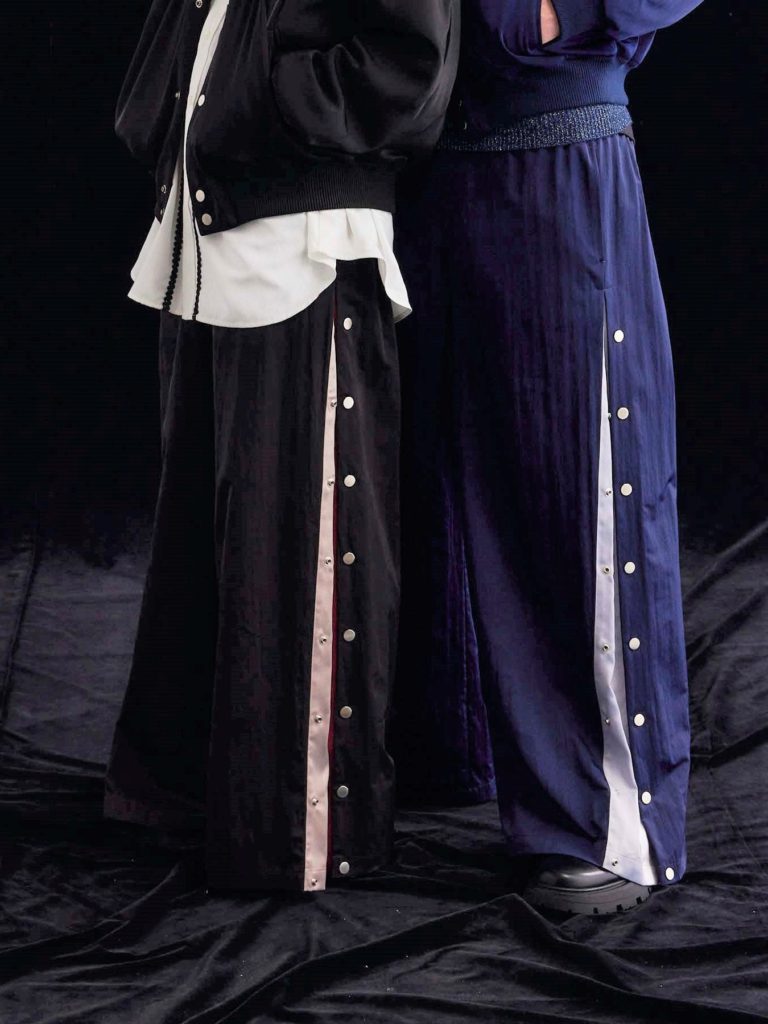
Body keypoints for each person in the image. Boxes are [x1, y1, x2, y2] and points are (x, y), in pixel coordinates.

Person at [103, 0, 459, 893]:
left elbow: (409, 63)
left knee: (290, 541)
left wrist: (254, 97)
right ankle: (194, 795)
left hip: (303, 247)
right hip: (200, 235)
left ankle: (291, 825)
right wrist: (178, 109)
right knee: (203, 547)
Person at [392, 0, 704, 914]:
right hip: (430, 164)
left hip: (557, 149)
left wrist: (565, 15)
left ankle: (600, 823)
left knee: (573, 478)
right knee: (436, 479)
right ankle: (456, 752)